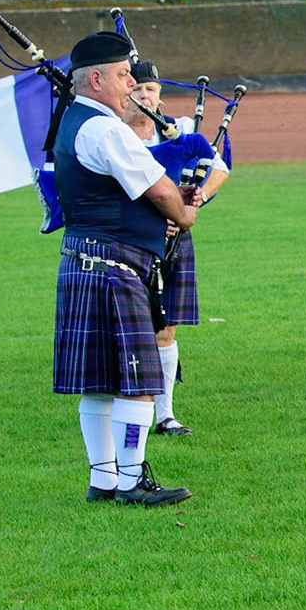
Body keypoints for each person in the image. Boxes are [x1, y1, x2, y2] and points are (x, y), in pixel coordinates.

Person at [50, 32, 198, 506]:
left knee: (98, 382)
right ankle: (132, 478)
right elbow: (158, 189)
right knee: (138, 380)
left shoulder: (72, 122)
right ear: (95, 79)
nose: (131, 83)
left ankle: (104, 479)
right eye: (121, 75)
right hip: (114, 267)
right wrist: (184, 210)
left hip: (82, 260)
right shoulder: (107, 129)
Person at [124, 61, 229, 436]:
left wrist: (190, 206)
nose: (144, 95)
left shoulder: (178, 134)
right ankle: (129, 410)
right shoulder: (113, 136)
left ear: (160, 96)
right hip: (130, 242)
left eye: (151, 90)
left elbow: (219, 168)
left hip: (174, 242)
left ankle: (165, 415)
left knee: (166, 331)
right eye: (137, 89)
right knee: (132, 331)